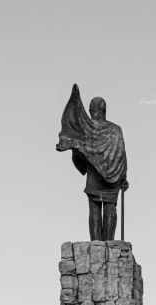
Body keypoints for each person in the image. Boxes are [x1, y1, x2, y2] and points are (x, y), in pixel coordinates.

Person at [56, 84, 129, 241]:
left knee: (94, 209)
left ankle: (96, 244)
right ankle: (109, 242)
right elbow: (121, 155)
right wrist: (123, 177)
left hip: (94, 176)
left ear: (90, 110)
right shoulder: (116, 129)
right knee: (110, 207)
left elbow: (78, 154)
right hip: (113, 176)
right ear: (104, 110)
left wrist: (78, 155)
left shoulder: (85, 129)